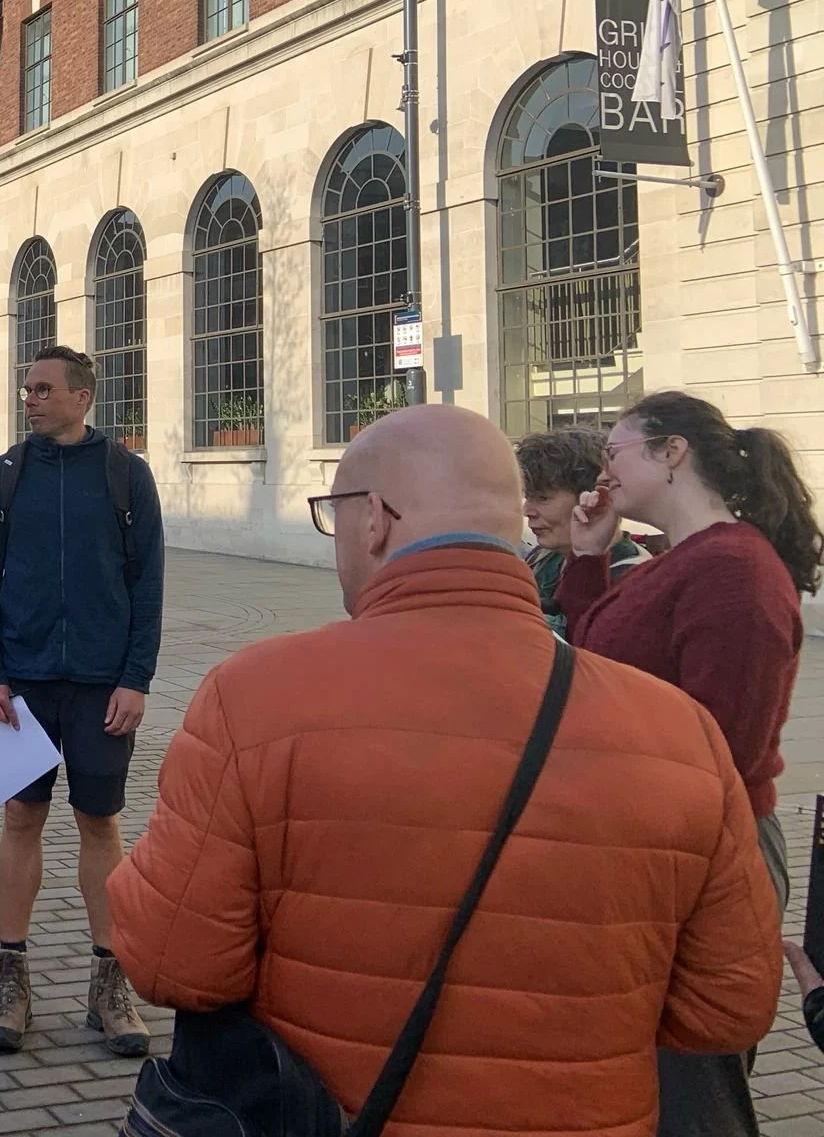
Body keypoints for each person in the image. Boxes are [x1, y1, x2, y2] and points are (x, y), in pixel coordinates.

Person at [108, 404, 783, 1134]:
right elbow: (730, 1005)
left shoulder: (254, 699)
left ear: (374, 521)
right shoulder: (681, 733)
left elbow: (175, 962)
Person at [561, 390, 821, 1135]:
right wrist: (588, 555)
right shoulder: (679, 563)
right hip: (661, 847)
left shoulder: (733, 571)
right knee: (651, 1078)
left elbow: (721, 749)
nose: (602, 473)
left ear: (671, 452)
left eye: (615, 453)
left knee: (692, 1092)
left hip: (705, 855)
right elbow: (595, 660)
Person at [0, 346, 161, 1058]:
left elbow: (149, 585)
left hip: (102, 687)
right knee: (21, 815)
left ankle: (109, 984)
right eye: (26, 388)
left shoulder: (125, 476)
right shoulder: (6, 476)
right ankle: (11, 978)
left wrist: (136, 677)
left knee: (99, 824)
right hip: (20, 686)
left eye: (44, 389)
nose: (30, 399)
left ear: (82, 397)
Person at [515, 426, 647, 634]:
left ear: (597, 498)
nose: (526, 510)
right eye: (527, 496)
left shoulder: (634, 581)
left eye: (542, 498)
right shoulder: (541, 558)